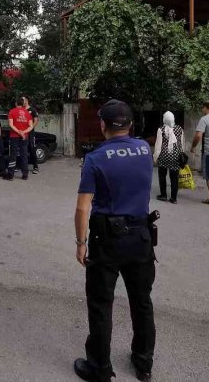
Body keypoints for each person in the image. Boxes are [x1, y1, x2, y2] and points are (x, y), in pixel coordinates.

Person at [73, 100, 156, 382]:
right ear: (131, 124)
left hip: (105, 239)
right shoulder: (145, 149)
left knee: (100, 303)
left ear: (102, 125)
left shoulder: (95, 158)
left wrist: (80, 243)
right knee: (142, 301)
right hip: (141, 237)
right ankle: (143, 364)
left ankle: (100, 368)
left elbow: (83, 207)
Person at [153, 111, 184, 203]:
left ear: (164, 119)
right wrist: (182, 153)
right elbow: (181, 142)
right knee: (174, 177)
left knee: (162, 176)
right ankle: (174, 198)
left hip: (163, 156)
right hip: (176, 156)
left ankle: (163, 195)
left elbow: (158, 145)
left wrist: (155, 157)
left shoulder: (161, 129)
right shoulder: (179, 129)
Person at [6, 97, 33, 181]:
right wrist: (23, 132)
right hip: (24, 137)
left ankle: (10, 175)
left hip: (14, 136)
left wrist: (18, 132)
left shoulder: (12, 111)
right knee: (24, 155)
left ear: (16, 103)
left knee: (13, 155)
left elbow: (11, 125)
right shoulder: (28, 113)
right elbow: (31, 126)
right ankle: (25, 175)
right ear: (23, 104)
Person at [24, 96, 40, 174]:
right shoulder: (21, 110)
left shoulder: (32, 110)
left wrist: (30, 128)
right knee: (22, 149)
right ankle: (23, 166)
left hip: (30, 133)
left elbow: (36, 121)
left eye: (23, 100)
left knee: (32, 148)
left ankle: (35, 166)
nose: (21, 101)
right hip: (22, 133)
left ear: (26, 101)